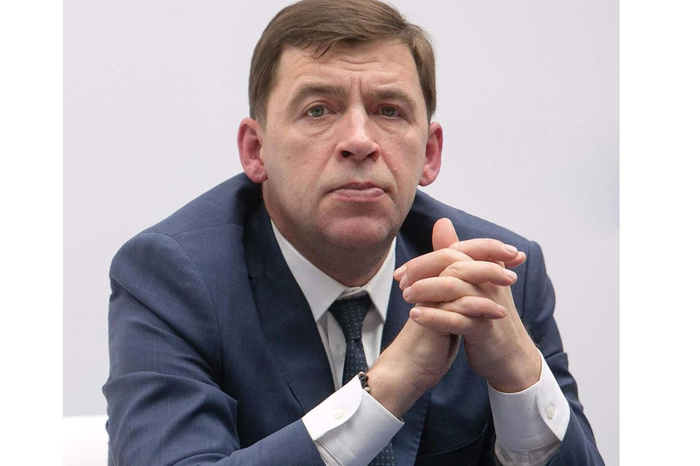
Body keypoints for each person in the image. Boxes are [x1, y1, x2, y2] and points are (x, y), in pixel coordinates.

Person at [103, 0, 604, 464]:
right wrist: (390, 384)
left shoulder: (500, 277)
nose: (360, 141)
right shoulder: (172, 278)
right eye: (318, 110)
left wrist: (519, 375)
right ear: (256, 150)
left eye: (389, 110)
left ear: (429, 154)